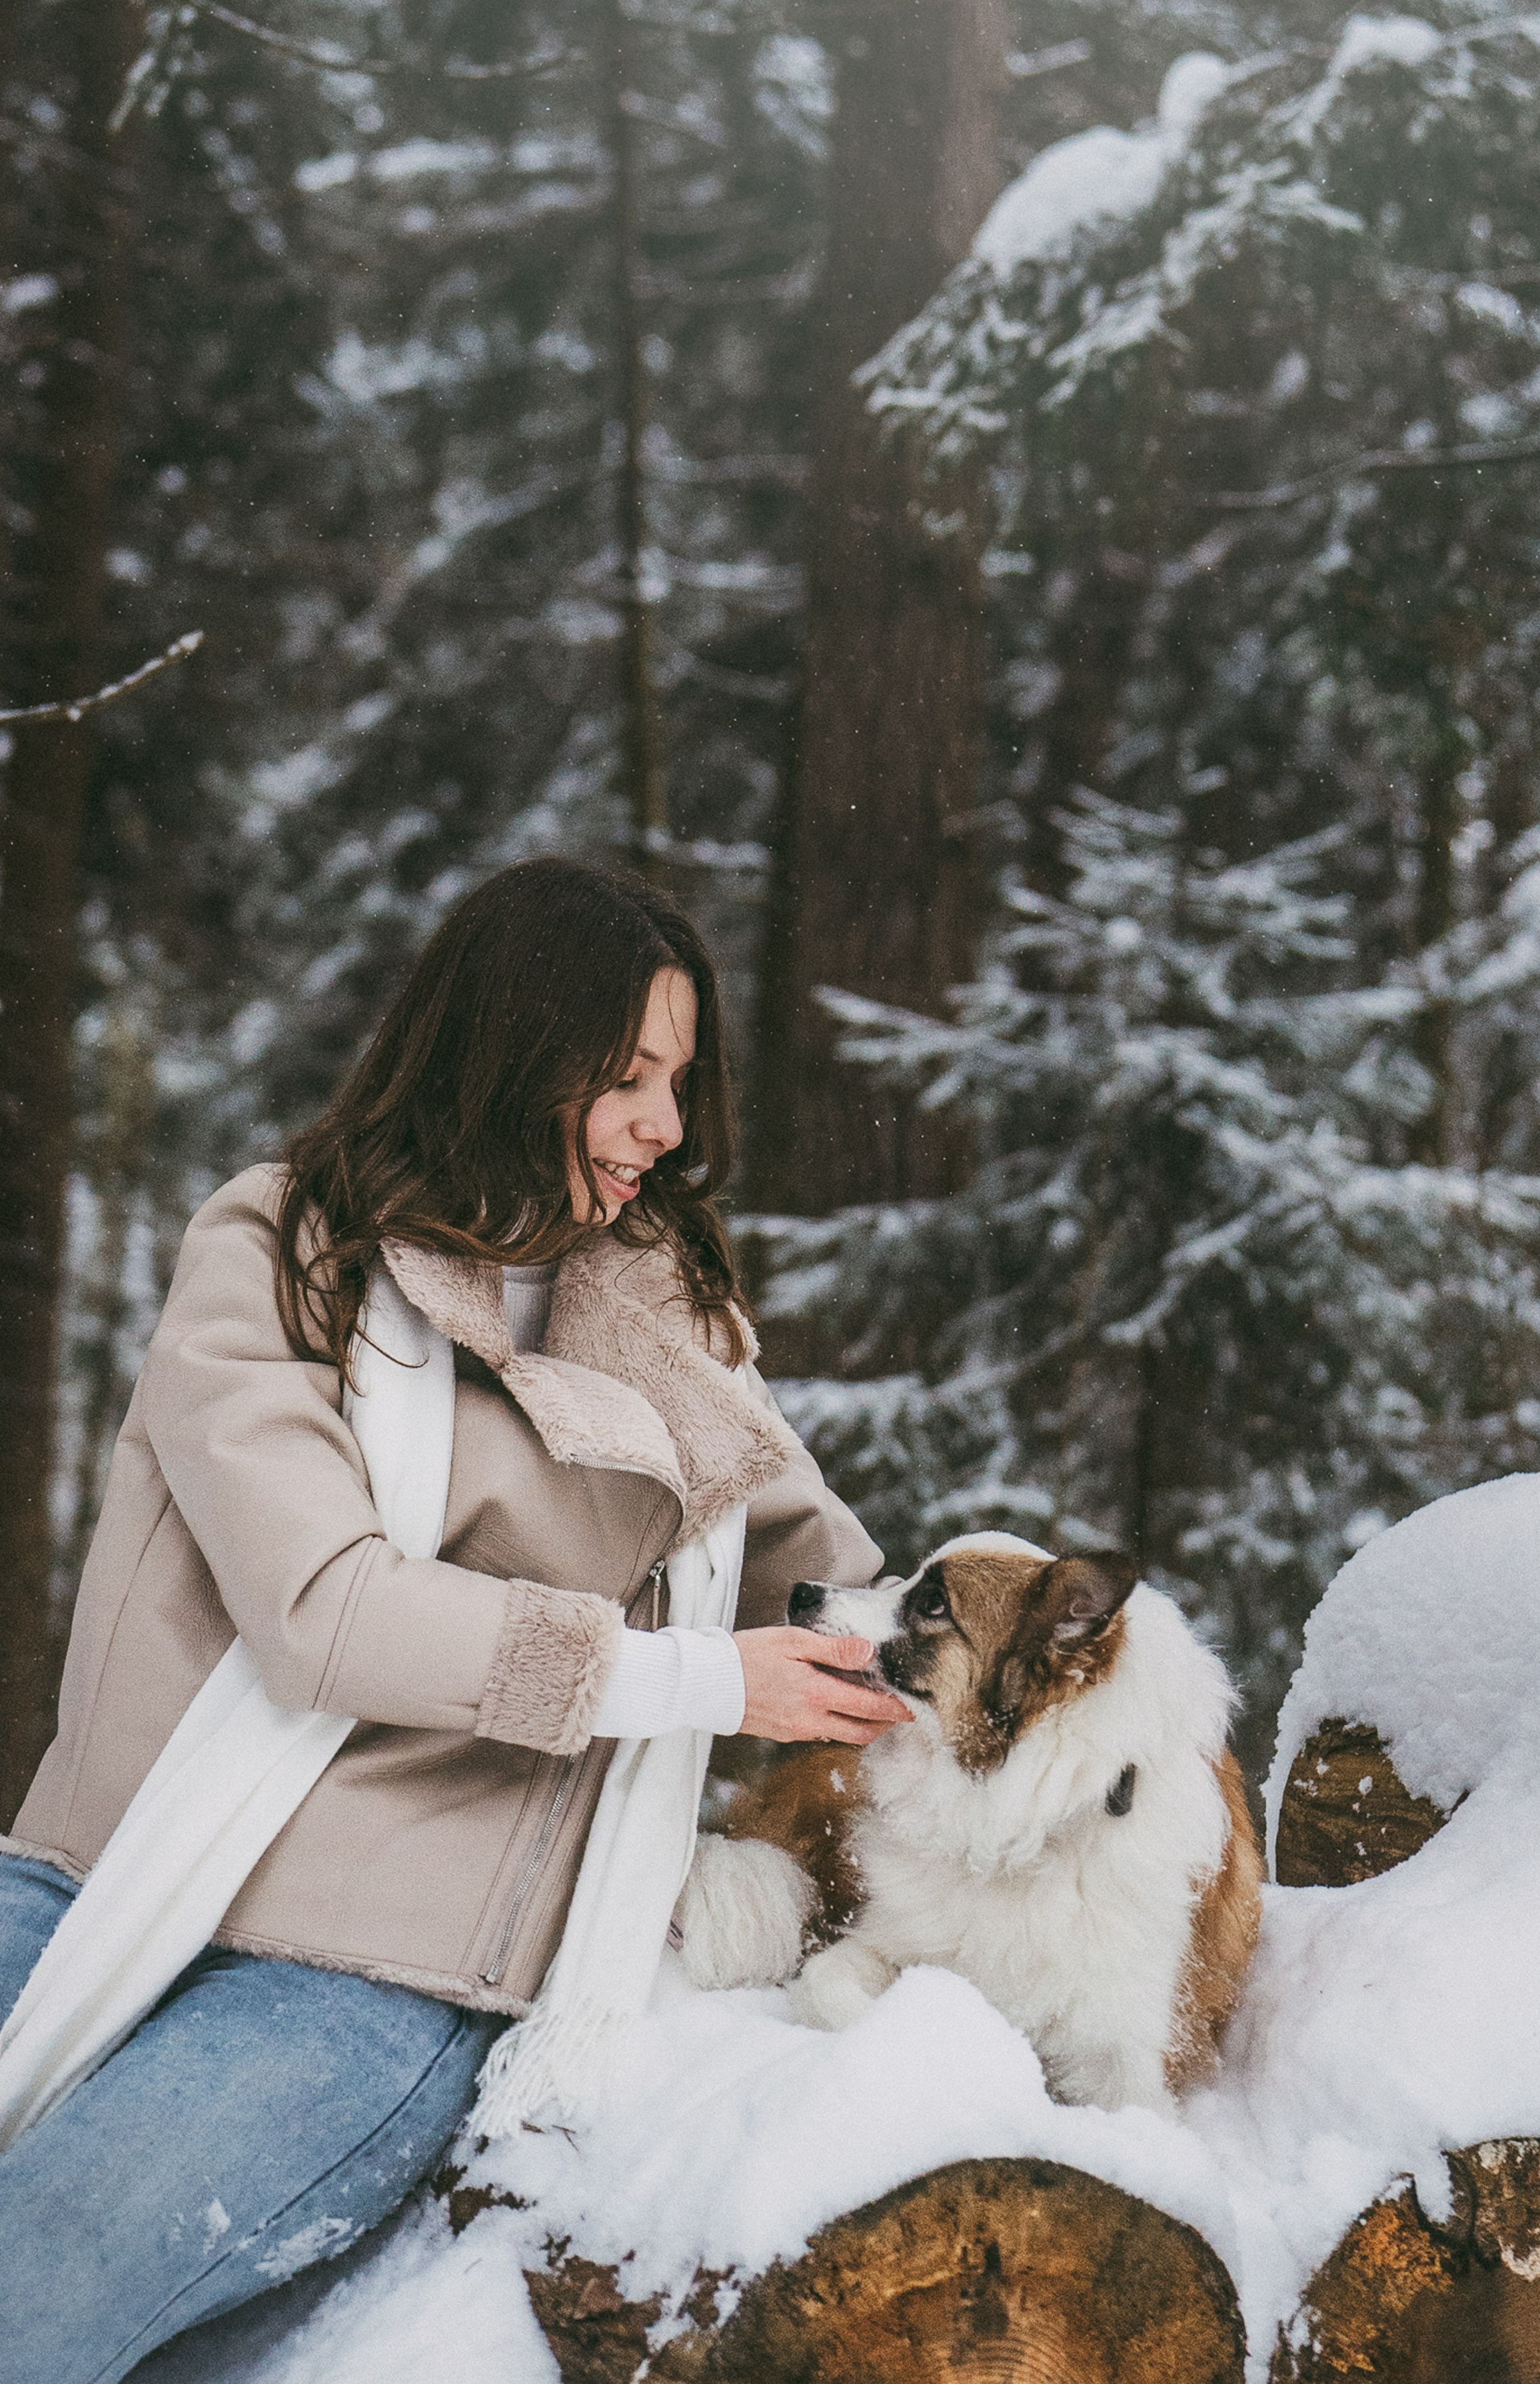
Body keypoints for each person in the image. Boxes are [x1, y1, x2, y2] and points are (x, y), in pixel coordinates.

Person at [0, 858, 907, 2384]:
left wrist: (1012, 1652)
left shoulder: (675, 1331)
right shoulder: (280, 1253)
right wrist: (688, 1679)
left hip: (372, 1973)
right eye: (624, 1077)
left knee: (31, 2285)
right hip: (103, 1881)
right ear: (506, 1054)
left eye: (677, 1080)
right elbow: (326, 1611)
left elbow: (815, 1591)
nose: (664, 1128)